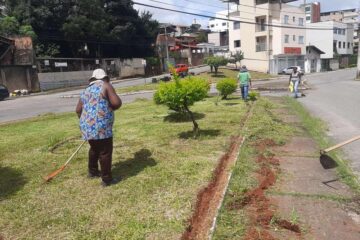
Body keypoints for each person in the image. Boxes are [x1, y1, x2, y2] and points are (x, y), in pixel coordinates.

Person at [75, 69, 122, 187]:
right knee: (105, 151)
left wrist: (87, 123)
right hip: (101, 126)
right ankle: (107, 179)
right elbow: (116, 103)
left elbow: (78, 110)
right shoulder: (106, 86)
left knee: (94, 148)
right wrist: (109, 108)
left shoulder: (86, 90)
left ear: (92, 79)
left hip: (86, 126)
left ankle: (93, 171)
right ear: (105, 78)